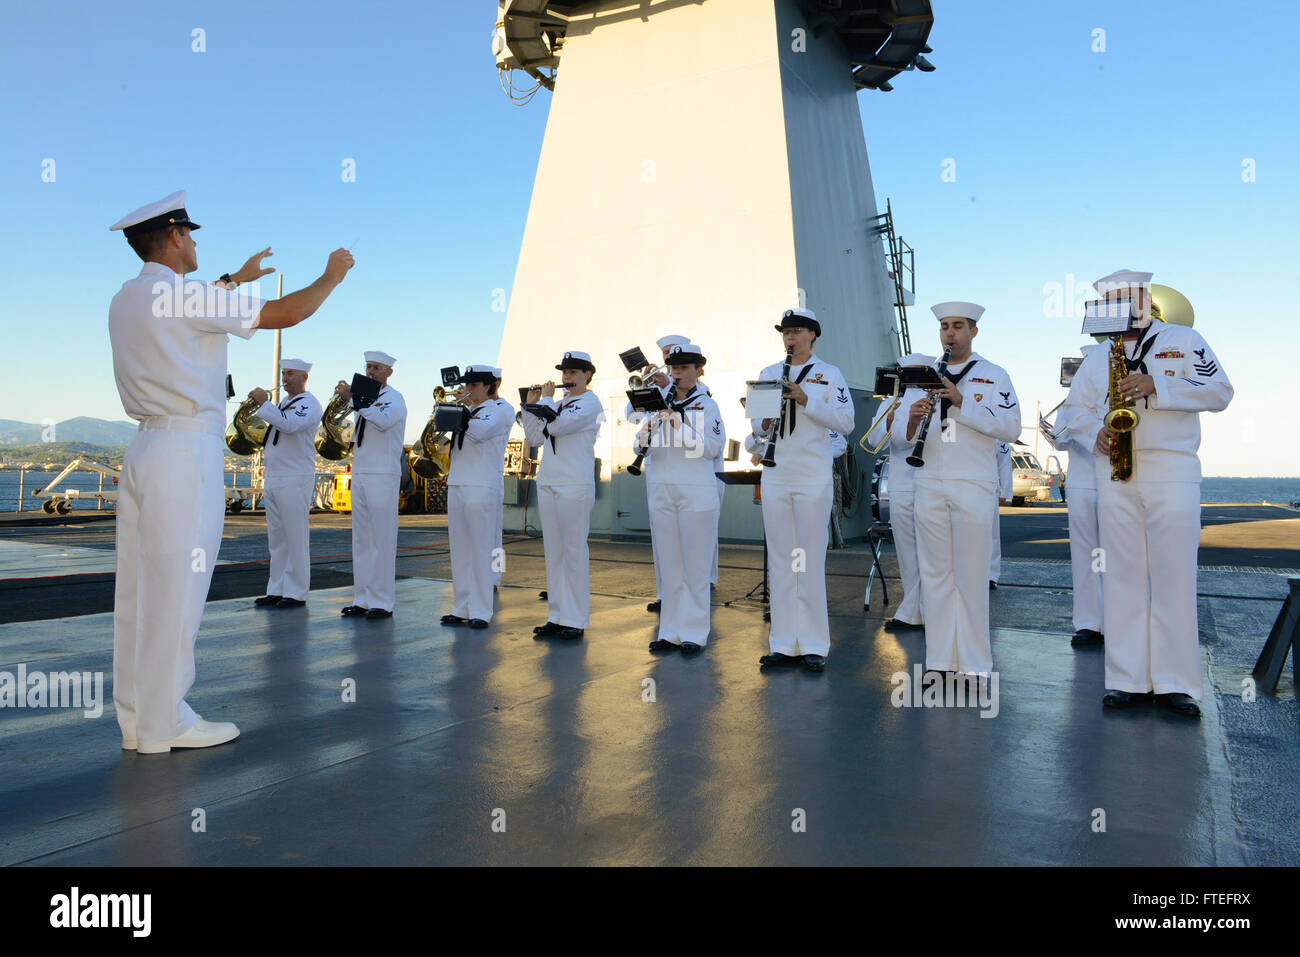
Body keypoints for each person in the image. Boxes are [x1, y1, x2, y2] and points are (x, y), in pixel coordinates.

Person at [108, 189, 353, 753]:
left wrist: (235, 279)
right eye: (189, 234)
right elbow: (288, 313)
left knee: (139, 596)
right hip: (184, 454)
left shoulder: (128, 299)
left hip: (145, 450)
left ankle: (137, 720)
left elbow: (193, 309)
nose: (193, 242)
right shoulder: (185, 297)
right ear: (173, 237)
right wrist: (332, 274)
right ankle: (165, 724)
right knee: (178, 589)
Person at [1063, 269, 1232, 717]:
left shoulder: (1184, 338)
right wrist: (1090, 432)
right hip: (1114, 470)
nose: (1123, 306)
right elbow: (1073, 413)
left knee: (1174, 575)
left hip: (1172, 469)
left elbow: (1220, 392)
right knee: (1122, 576)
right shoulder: (1099, 357)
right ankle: (1127, 680)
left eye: (1128, 297)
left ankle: (1176, 683)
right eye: (1112, 301)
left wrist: (1160, 385)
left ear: (1143, 297)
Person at [908, 301, 1020, 677]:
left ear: (973, 331)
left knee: (970, 576)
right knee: (936, 575)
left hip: (973, 483)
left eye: (957, 326)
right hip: (928, 482)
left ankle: (974, 665)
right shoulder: (924, 375)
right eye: (944, 327)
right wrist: (913, 418)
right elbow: (906, 438)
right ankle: (940, 661)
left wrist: (960, 400)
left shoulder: (993, 374)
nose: (950, 333)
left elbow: (1011, 428)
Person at [747, 308, 854, 673]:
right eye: (785, 332)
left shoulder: (830, 374)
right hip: (776, 473)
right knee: (781, 559)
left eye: (796, 332)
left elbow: (845, 422)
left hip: (811, 475)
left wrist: (806, 398)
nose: (789, 338)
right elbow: (759, 429)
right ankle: (783, 643)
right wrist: (763, 415)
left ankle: (812, 644)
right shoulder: (769, 373)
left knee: (806, 558)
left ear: (812, 335)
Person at [635, 343, 725, 654]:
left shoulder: (707, 405)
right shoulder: (657, 402)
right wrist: (646, 433)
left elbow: (710, 449)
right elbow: (638, 447)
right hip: (662, 489)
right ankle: (669, 631)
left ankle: (694, 633)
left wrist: (678, 423)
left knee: (695, 567)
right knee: (670, 566)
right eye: (674, 368)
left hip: (696, 493)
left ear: (699, 370)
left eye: (685, 368)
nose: (678, 373)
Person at [521, 351, 604, 640]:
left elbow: (558, 426)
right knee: (554, 552)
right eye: (565, 373)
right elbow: (534, 439)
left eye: (573, 373)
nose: (566, 378)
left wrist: (543, 402)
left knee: (573, 551)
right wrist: (530, 406)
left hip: (574, 484)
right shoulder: (556, 404)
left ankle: (576, 618)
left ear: (587, 375)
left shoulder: (590, 403)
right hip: (550, 481)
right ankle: (557, 615)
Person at [441, 364, 514, 629]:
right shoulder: (469, 410)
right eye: (467, 386)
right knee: (460, 550)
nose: (467, 390)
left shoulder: (501, 409)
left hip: (483, 485)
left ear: (488, 386)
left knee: (485, 548)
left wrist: (457, 410)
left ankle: (482, 610)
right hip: (459, 481)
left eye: (473, 386)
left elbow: (480, 433)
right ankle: (462, 606)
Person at [336, 352, 408, 621]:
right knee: (362, 539)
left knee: (382, 539)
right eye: (367, 367)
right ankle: (362, 598)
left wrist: (353, 400)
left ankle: (382, 601)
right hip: (363, 471)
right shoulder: (365, 400)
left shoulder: (394, 399)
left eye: (376, 368)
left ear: (389, 372)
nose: (370, 372)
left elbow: (384, 420)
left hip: (382, 474)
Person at [865, 353, 933, 631]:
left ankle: (932, 612)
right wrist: (891, 417)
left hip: (929, 482)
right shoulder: (890, 403)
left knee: (931, 552)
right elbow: (872, 441)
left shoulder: (935, 397)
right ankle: (911, 611)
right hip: (901, 484)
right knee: (907, 552)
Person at [253, 358, 323, 609]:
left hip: (294, 476)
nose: (285, 379)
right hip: (275, 475)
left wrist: (264, 403)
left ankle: (296, 592)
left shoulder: (308, 403)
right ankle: (277, 588)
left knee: (295, 535)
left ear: (304, 377)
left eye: (290, 374)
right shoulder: (285, 403)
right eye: (284, 374)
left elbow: (290, 424)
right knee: (277, 537)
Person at [625, 335, 683, 614]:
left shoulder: (696, 386)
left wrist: (669, 385)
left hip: (683, 467)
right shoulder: (655, 379)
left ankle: (688, 591)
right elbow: (633, 416)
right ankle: (664, 592)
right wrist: (645, 385)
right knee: (661, 535)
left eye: (673, 354)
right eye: (665, 355)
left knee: (684, 536)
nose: (669, 360)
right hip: (655, 464)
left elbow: (687, 413)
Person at [1059, 343, 1105, 647]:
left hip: (1119, 481)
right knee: (1087, 556)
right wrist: (1080, 429)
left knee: (1121, 556)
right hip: (1083, 483)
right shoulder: (1071, 402)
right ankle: (1089, 622)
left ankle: (1120, 619)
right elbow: (1060, 439)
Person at [989, 441, 1012, 588]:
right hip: (961, 484)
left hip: (989, 488)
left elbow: (1004, 460)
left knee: (992, 534)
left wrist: (1005, 490)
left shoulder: (996, 421)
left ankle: (991, 575)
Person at [828, 428, 848, 548]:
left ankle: (830, 541)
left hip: (821, 472)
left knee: (829, 508)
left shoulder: (828, 427)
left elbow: (841, 444)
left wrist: (821, 455)